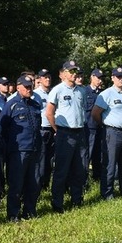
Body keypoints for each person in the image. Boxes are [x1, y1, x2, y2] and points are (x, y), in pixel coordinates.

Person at [45, 60, 90, 212]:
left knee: (79, 169)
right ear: (63, 73)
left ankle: (77, 200)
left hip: (80, 132)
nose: (74, 74)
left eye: (75, 71)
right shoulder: (57, 90)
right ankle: (57, 203)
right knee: (61, 170)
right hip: (65, 133)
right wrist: (56, 129)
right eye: (71, 71)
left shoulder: (81, 91)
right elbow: (49, 112)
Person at [0, 73, 42, 220]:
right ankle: (13, 214)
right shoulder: (11, 105)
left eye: (31, 86)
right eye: (26, 87)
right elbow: (2, 128)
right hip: (18, 151)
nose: (29, 89)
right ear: (18, 87)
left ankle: (30, 211)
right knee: (16, 184)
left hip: (35, 149)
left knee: (34, 182)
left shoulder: (35, 104)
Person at [92, 66, 122, 199]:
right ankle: (107, 193)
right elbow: (95, 114)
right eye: (118, 77)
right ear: (112, 78)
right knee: (110, 164)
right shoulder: (106, 94)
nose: (121, 79)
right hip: (112, 132)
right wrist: (105, 125)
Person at [34, 69, 54, 190]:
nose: (47, 79)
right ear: (39, 80)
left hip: (52, 129)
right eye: (44, 77)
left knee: (50, 159)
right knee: (41, 158)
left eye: (49, 77)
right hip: (41, 130)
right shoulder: (35, 94)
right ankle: (39, 185)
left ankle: (46, 183)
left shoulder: (53, 92)